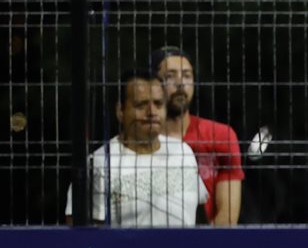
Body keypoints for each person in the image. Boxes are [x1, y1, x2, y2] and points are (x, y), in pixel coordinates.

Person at [65, 70, 206, 226]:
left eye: (158, 104)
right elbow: (78, 232)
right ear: (120, 111)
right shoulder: (99, 163)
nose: (152, 112)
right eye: (141, 105)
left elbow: (199, 216)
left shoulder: (183, 152)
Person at [151, 45, 245, 225]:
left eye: (187, 76)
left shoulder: (220, 136)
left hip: (209, 238)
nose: (181, 83)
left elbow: (228, 216)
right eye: (170, 76)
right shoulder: (142, 141)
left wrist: (203, 242)